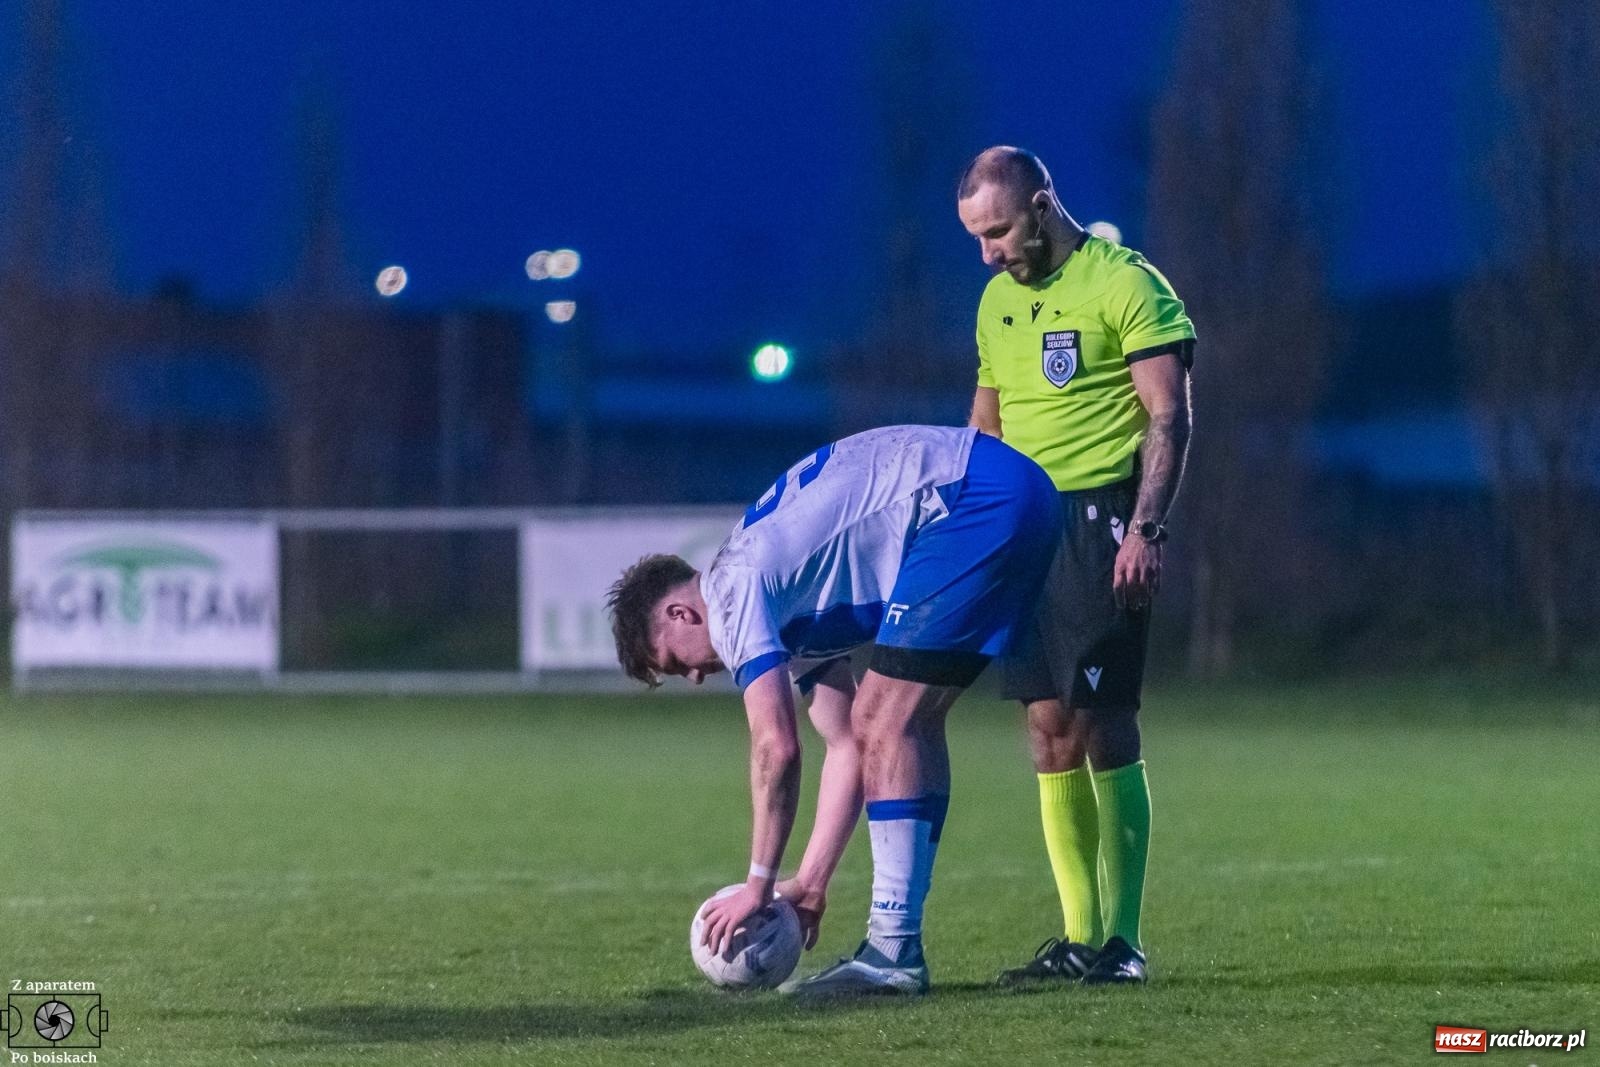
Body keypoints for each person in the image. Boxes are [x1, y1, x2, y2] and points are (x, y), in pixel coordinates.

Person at [607, 424, 1061, 996]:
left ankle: (893, 955)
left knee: (889, 718)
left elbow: (777, 746)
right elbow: (845, 746)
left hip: (974, 499)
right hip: (1009, 489)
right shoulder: (777, 599)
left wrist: (758, 884)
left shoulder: (731, 592)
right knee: (884, 723)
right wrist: (810, 884)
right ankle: (894, 951)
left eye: (679, 665)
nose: (696, 678)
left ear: (680, 614)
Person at [956, 146, 1196, 986]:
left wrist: (1146, 529)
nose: (987, 252)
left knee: (1103, 721)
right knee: (1046, 727)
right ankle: (1076, 937)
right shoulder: (994, 303)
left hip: (1102, 520)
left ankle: (1123, 941)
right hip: (1023, 531)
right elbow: (986, 424)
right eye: (976, 239)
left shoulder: (1126, 283)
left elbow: (1169, 418)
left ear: (1042, 205)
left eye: (996, 232)